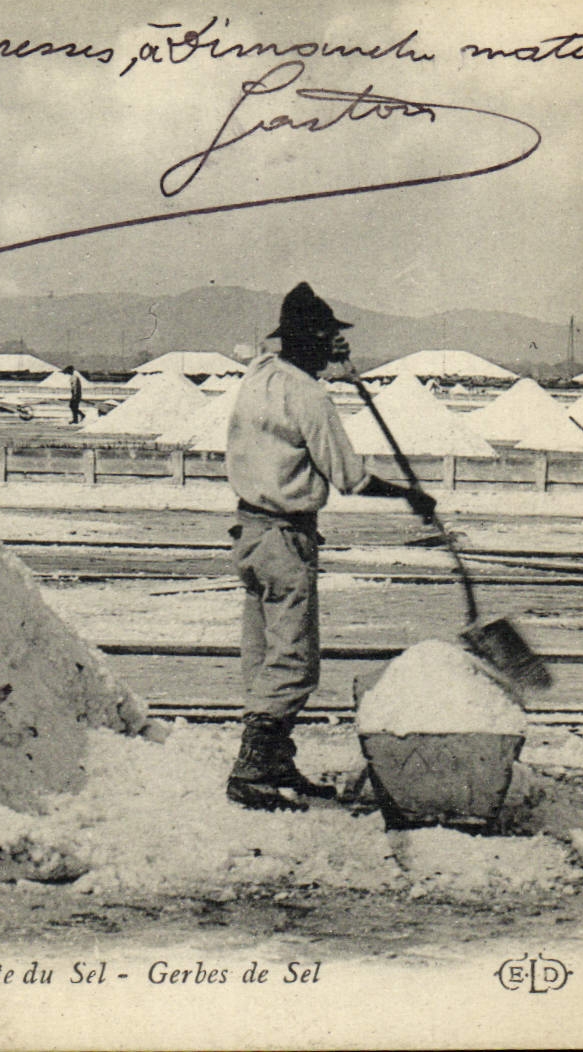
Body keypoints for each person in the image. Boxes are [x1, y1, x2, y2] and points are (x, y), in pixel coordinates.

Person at [223, 283, 435, 812]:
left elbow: (296, 378)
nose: (333, 349)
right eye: (329, 340)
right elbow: (351, 478)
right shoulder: (310, 396)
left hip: (250, 535)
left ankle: (274, 761)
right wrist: (410, 496)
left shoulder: (260, 376)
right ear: (312, 342)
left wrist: (331, 366)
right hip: (285, 538)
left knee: (265, 657)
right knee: (295, 663)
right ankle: (251, 770)